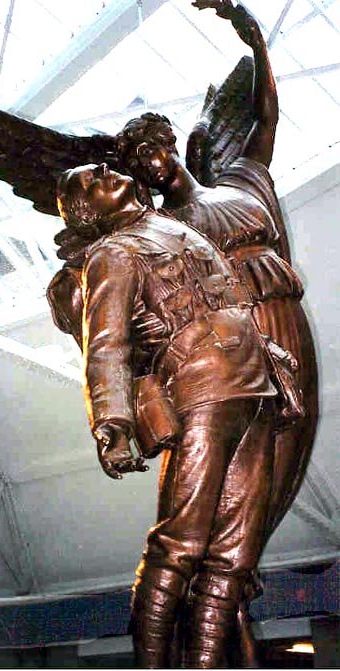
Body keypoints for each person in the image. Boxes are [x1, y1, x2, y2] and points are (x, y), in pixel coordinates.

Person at [46, 161, 303, 668]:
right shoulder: (112, 253)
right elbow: (106, 344)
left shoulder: (176, 227)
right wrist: (112, 423)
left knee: (233, 557)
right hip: (200, 388)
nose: (105, 170)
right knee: (179, 544)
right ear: (87, 212)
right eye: (90, 181)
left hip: (255, 387)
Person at [116, 0, 318, 550]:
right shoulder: (162, 231)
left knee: (286, 445)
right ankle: (218, 577)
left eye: (152, 148)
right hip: (235, 337)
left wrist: (255, 38)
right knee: (238, 466)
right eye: (135, 160)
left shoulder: (239, 181)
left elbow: (266, 119)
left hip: (285, 321)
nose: (148, 161)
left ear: (170, 144)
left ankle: (234, 572)